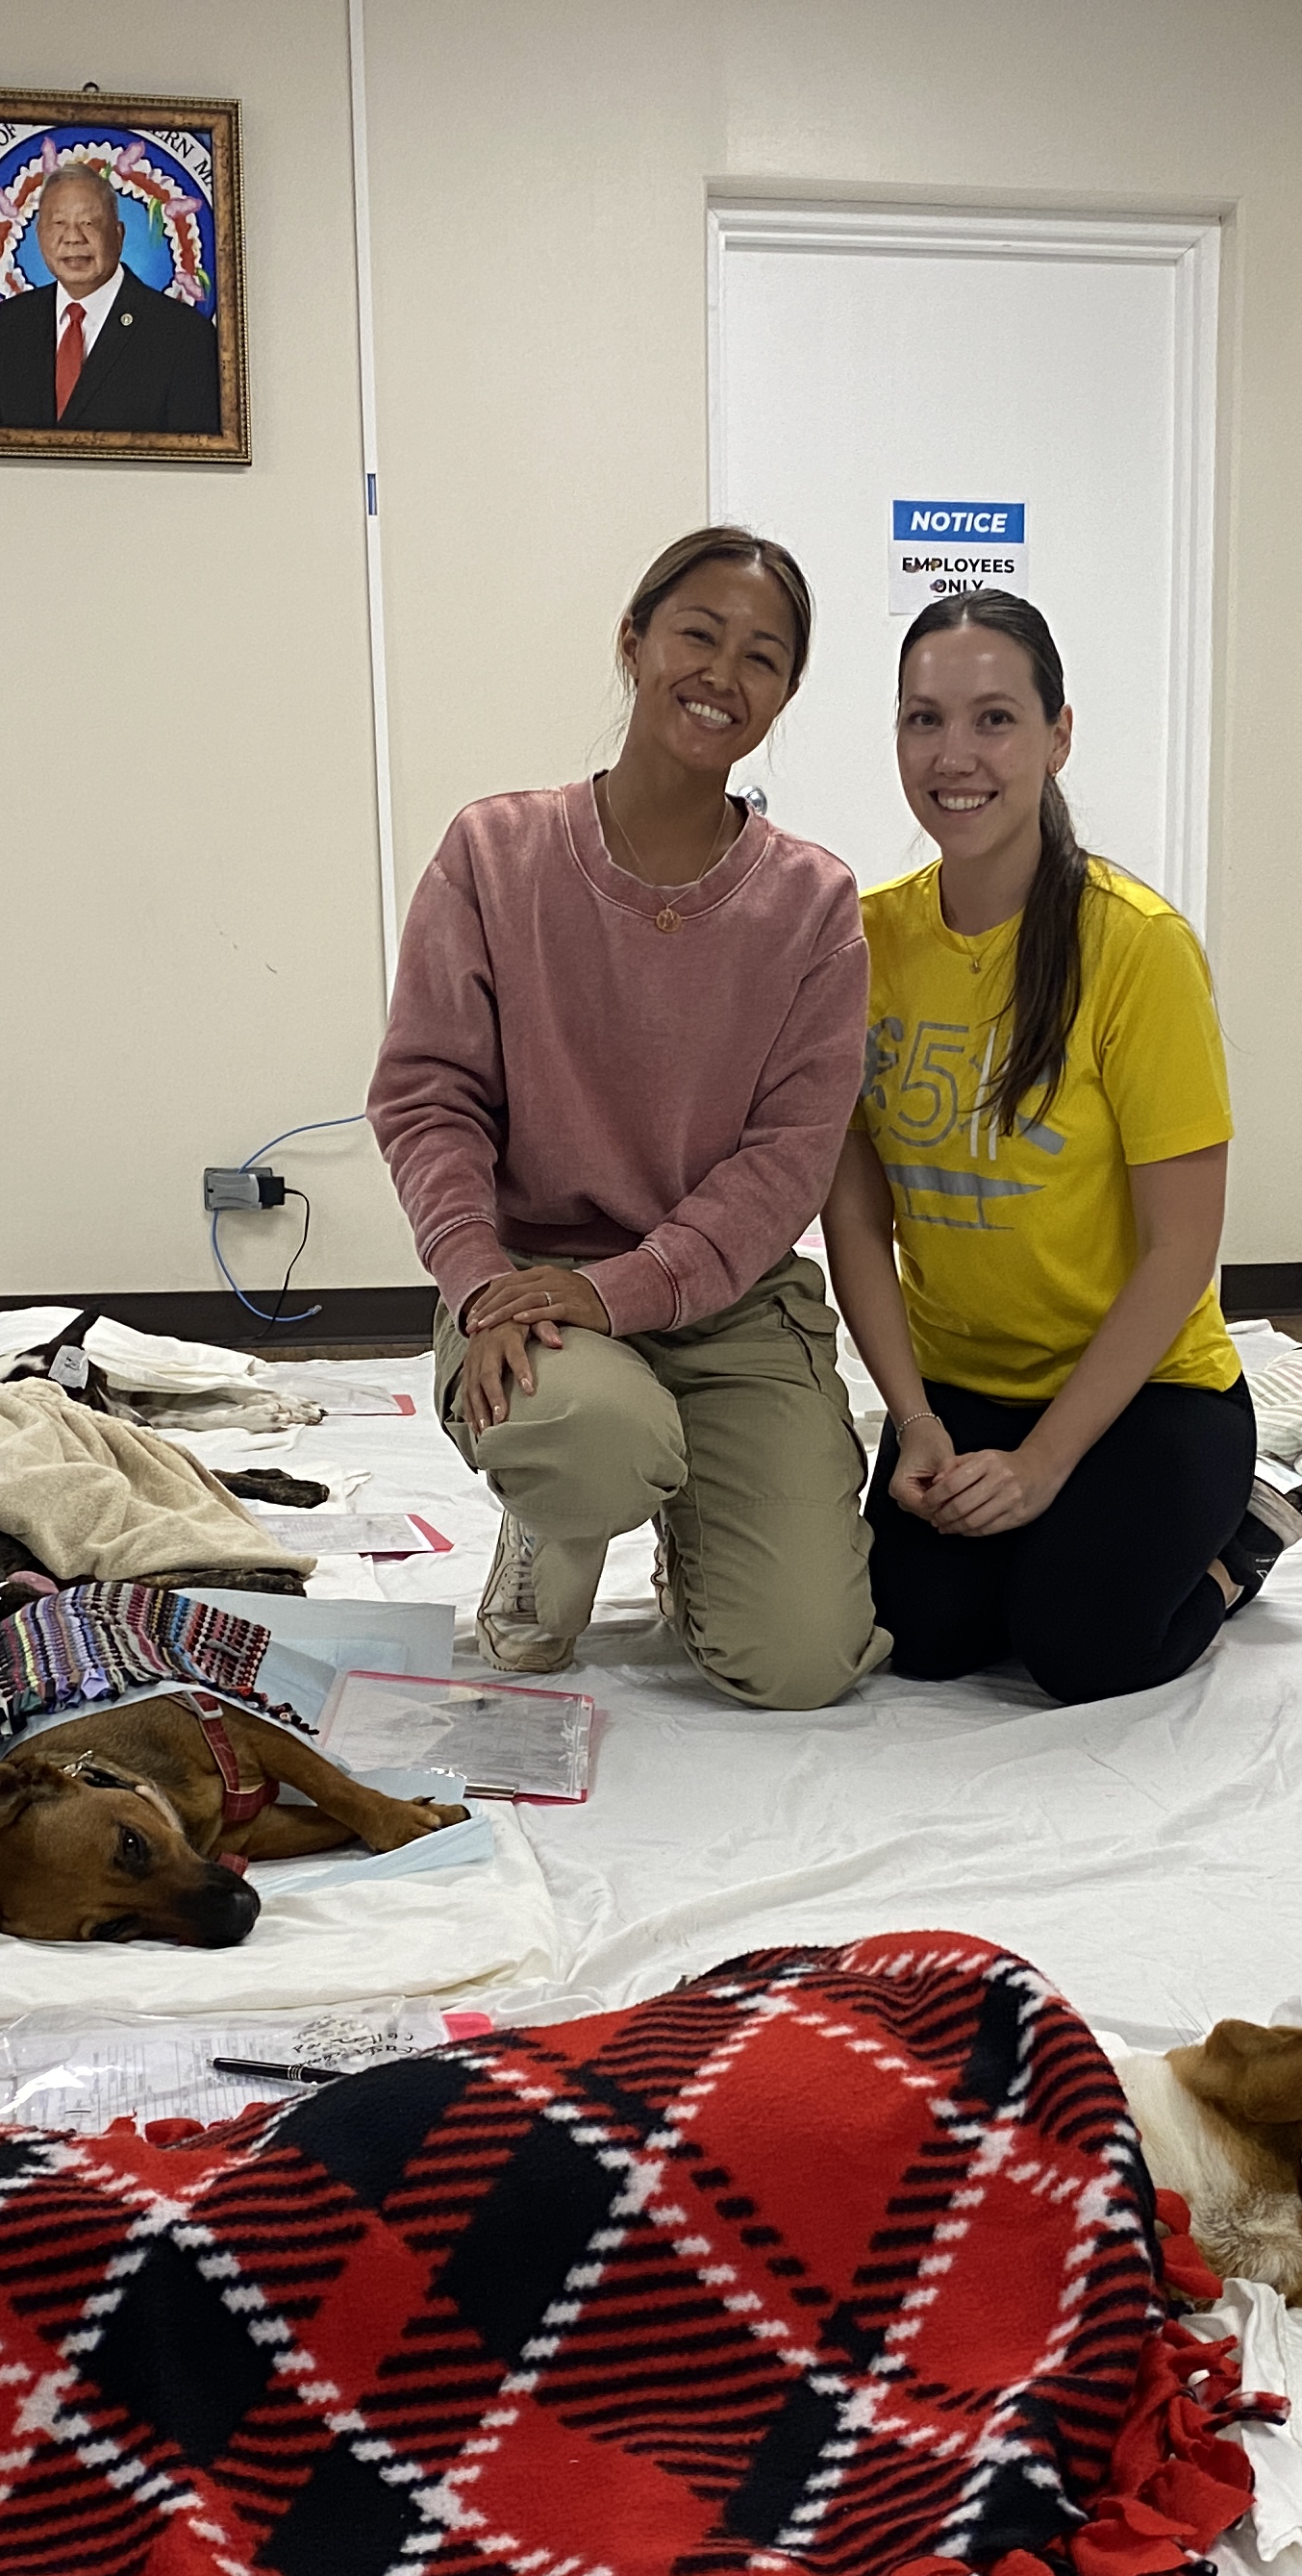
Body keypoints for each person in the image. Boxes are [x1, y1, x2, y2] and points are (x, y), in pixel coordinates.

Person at [367, 525, 889, 1710]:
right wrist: (477, 1277)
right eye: (697, 634)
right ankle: (556, 1531)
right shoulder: (494, 854)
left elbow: (788, 1158)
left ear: (785, 696)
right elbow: (427, 1095)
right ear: (634, 643)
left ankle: (690, 1520)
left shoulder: (813, 904)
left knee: (801, 1663)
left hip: (730, 1303)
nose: (722, 673)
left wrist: (633, 1290)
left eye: (762, 657)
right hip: (529, 1291)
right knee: (599, 1441)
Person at [821, 589, 1301, 1706]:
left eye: (995, 719)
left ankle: (1239, 1545)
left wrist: (1044, 1467)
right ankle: (1062, 1536)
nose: (957, 755)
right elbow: (854, 1215)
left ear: (1058, 736)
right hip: (961, 1391)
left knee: (1079, 1647)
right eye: (923, 720)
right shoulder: (861, 940)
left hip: (1147, 1394)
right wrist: (916, 1422)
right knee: (922, 1634)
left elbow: (1182, 1249)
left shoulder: (1137, 949)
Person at [0, 155, 222, 435]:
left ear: (118, 235)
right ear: (39, 235)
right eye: (58, 223)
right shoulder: (14, 322)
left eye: (89, 223)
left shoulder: (182, 335)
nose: (73, 238)